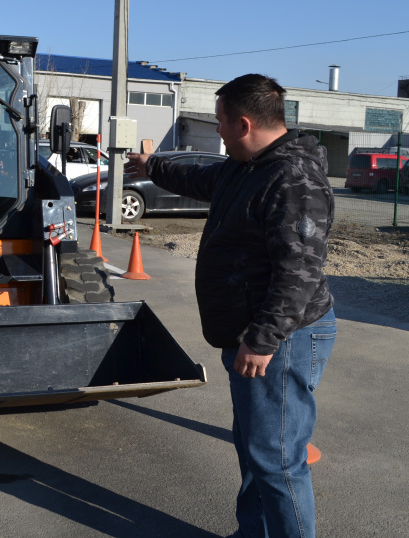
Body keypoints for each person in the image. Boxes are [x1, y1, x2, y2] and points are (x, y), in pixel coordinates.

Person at [125, 74, 336, 538]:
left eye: (220, 123)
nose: (216, 132)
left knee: (277, 460)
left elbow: (297, 274)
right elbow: (201, 177)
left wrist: (261, 341)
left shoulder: (292, 179)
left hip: (279, 338)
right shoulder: (248, 166)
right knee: (254, 449)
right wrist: (151, 165)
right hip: (250, 333)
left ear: (243, 124)